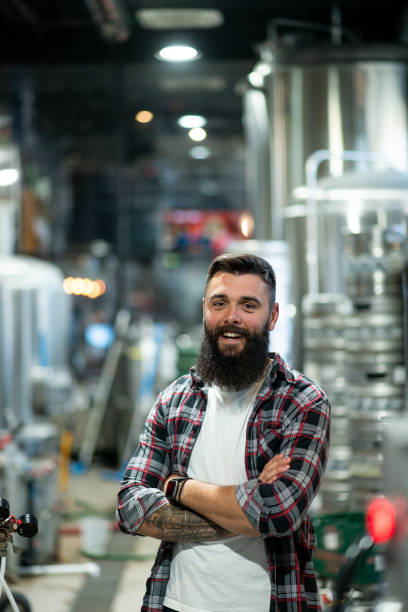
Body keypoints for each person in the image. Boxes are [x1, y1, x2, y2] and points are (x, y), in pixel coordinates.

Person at [117, 253, 330, 612]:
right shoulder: (175, 400)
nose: (232, 317)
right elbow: (130, 507)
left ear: (272, 315)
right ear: (205, 309)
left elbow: (276, 513)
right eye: (220, 303)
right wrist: (245, 502)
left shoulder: (302, 403)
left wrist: (177, 487)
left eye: (248, 305)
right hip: (175, 603)